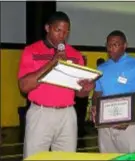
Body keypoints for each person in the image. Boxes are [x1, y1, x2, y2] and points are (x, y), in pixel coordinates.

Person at [18, 11, 95, 158]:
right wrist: (52, 63)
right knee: (34, 158)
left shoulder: (75, 54)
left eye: (66, 32)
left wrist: (85, 89)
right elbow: (23, 86)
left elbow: (79, 93)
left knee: (66, 157)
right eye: (58, 30)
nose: (62, 35)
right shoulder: (31, 51)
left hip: (67, 114)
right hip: (41, 113)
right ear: (47, 28)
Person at [91, 30, 135, 153]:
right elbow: (97, 93)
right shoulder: (101, 68)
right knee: (107, 156)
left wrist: (132, 116)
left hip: (130, 123)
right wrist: (94, 106)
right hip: (105, 124)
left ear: (125, 46)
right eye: (108, 45)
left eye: (115, 44)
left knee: (131, 156)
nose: (110, 48)